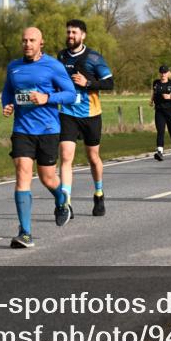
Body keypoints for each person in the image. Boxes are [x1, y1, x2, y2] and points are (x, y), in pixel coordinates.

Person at [2, 27, 77, 246]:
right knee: (22, 173)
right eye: (24, 40)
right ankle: (25, 232)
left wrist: (47, 97)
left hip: (47, 130)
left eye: (32, 40)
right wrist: (6, 105)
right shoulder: (13, 67)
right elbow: (7, 91)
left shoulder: (53, 66)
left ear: (40, 43)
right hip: (22, 129)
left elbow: (71, 95)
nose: (27, 44)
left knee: (47, 178)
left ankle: (62, 200)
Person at [57, 19, 114, 217]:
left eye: (74, 33)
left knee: (93, 157)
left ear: (83, 35)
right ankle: (66, 203)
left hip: (91, 114)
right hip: (67, 113)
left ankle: (98, 193)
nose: (70, 36)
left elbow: (110, 84)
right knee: (65, 156)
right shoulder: (61, 56)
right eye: (68, 32)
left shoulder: (94, 58)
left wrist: (88, 82)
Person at [151, 65, 171, 161]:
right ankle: (160, 152)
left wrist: (170, 97)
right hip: (159, 111)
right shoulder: (156, 83)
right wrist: (151, 100)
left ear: (168, 73)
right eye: (161, 72)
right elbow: (154, 92)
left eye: (165, 72)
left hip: (170, 111)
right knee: (160, 131)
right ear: (159, 73)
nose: (163, 74)